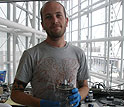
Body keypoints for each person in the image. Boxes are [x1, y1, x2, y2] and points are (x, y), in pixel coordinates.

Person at [10, 1, 90, 107]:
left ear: (66, 21)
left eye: (58, 15)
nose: (54, 20)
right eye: (48, 17)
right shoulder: (31, 55)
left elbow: (85, 86)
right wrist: (41, 104)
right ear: (43, 25)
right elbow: (15, 94)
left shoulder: (78, 53)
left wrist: (79, 95)